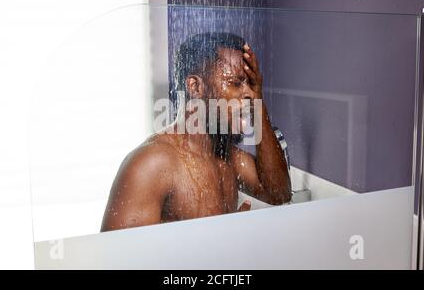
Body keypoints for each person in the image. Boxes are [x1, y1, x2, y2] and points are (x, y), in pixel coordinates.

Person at [101, 32, 291, 232]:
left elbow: (279, 194)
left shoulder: (228, 157)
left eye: (250, 85)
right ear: (195, 86)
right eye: (235, 83)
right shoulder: (152, 163)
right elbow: (118, 258)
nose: (249, 94)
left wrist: (258, 102)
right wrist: (226, 238)